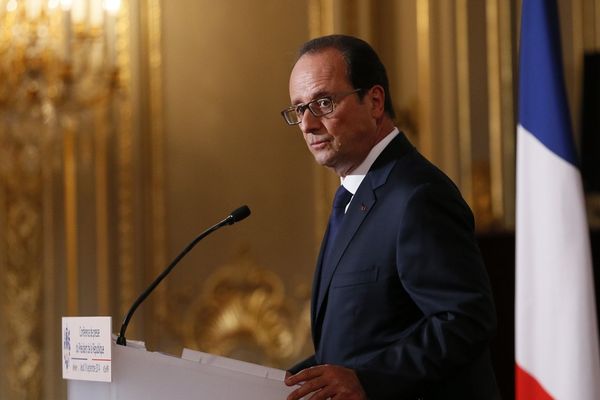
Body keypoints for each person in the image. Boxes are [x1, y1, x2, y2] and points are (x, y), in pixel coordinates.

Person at [280, 34, 500, 400]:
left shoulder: (418, 195)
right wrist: (294, 380)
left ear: (375, 101)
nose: (307, 124)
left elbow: (464, 321)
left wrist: (368, 381)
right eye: (299, 109)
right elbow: (366, 338)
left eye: (323, 102)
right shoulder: (354, 195)